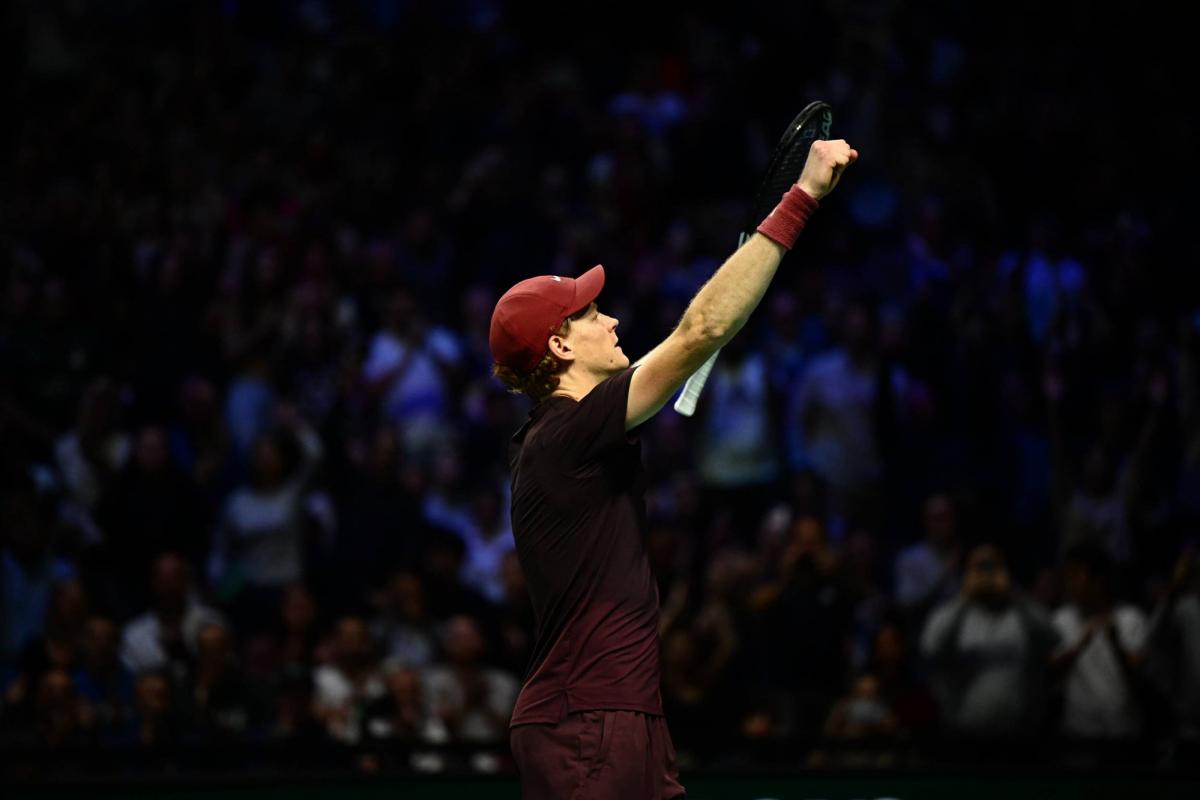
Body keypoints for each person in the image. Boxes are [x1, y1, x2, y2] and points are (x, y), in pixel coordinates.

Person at [489, 136, 857, 798]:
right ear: (559, 346)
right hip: (587, 723)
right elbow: (699, 333)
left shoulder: (569, 435)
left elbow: (693, 341)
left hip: (621, 717)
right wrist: (802, 197)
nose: (612, 319)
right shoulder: (563, 433)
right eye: (591, 313)